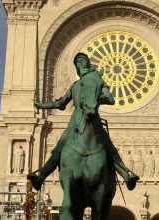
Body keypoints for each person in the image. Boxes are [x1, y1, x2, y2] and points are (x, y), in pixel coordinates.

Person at [27, 53, 139, 191]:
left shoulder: (97, 79)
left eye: (82, 60)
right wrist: (41, 105)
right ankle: (41, 175)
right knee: (59, 147)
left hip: (94, 121)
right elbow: (61, 104)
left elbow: (110, 99)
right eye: (77, 62)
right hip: (75, 123)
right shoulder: (75, 85)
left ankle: (126, 174)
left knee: (108, 145)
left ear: (87, 63)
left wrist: (95, 99)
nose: (80, 62)